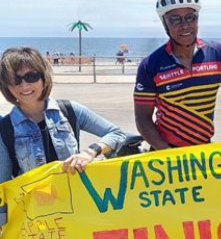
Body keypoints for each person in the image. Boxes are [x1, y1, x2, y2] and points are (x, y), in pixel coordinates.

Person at [0, 47, 126, 225]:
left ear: (43, 77)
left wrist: (89, 153)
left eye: (31, 77)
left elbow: (116, 134)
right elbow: (2, 186)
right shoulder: (4, 128)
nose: (24, 85)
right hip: (36, 219)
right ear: (7, 86)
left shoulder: (69, 110)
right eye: (15, 80)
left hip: (80, 210)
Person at [134, 0, 221, 150]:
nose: (185, 25)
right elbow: (142, 117)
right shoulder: (151, 65)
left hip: (202, 150)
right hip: (164, 149)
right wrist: (165, 152)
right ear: (164, 23)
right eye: (175, 19)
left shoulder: (216, 52)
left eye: (190, 17)